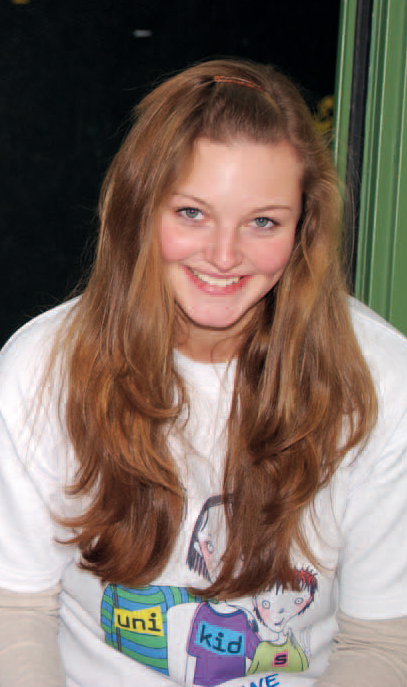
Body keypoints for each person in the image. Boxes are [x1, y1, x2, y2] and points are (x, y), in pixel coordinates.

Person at [0, 58, 406, 687]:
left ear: (304, 229)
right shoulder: (40, 368)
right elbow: (17, 614)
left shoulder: (380, 379)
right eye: (192, 213)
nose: (224, 255)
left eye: (263, 221)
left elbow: (379, 643)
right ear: (140, 208)